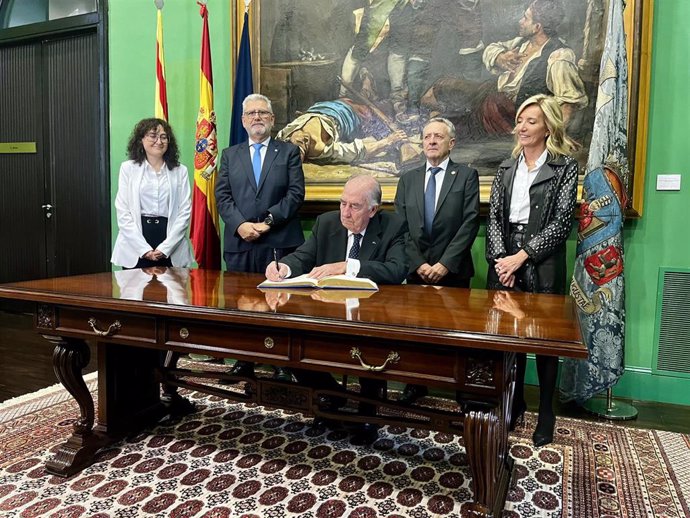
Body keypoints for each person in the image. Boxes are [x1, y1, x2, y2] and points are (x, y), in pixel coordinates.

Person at [266, 174, 408, 442]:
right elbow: (304, 255)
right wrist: (283, 267)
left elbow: (397, 268)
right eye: (343, 203)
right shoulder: (327, 222)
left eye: (354, 206)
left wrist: (348, 266)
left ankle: (368, 414)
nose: (345, 212)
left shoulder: (393, 225)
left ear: (373, 210)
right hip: (328, 309)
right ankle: (329, 398)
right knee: (294, 338)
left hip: (372, 311)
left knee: (370, 345)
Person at [485, 93, 579, 447]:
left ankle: (546, 414)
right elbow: (493, 218)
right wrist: (501, 260)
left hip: (542, 260)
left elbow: (561, 224)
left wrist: (521, 257)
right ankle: (514, 403)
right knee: (509, 338)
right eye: (520, 121)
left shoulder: (564, 166)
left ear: (548, 127)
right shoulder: (506, 168)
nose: (522, 127)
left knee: (542, 340)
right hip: (505, 257)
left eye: (531, 121)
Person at [216, 93, 305, 382]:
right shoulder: (230, 155)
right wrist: (241, 225)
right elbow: (223, 196)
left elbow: (295, 194)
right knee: (241, 304)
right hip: (240, 243)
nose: (257, 117)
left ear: (272, 119)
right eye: (251, 113)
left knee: (278, 304)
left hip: (278, 242)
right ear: (243, 121)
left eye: (263, 113)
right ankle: (244, 359)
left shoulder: (288, 152)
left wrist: (267, 223)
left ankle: (280, 361)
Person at [394, 117, 480, 405]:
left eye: (438, 137)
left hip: (453, 271)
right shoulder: (408, 179)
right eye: (427, 136)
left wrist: (445, 263)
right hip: (417, 271)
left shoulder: (466, 176)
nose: (431, 141)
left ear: (451, 143)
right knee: (416, 331)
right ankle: (415, 383)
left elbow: (469, 223)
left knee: (456, 333)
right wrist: (417, 263)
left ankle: (460, 388)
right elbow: (400, 226)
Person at [420, 0, 587, 137]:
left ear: (538, 27)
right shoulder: (523, 43)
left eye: (525, 18)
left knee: (444, 128)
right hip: (487, 94)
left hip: (503, 115)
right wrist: (500, 57)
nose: (520, 22)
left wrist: (555, 139)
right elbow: (492, 48)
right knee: (439, 89)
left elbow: (568, 104)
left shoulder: (559, 57)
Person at [111, 118, 193, 269]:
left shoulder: (180, 171)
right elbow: (123, 212)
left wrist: (165, 248)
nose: (159, 141)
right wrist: (144, 249)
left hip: (170, 241)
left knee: (172, 292)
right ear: (141, 139)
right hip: (135, 242)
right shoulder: (128, 169)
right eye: (153, 136)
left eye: (163, 137)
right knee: (135, 291)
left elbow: (184, 212)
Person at [276, 99, 405, 165]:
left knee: (353, 97)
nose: (303, 140)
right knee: (376, 108)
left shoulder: (282, 137)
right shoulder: (320, 149)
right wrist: (388, 141)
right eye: (304, 147)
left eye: (296, 143)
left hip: (326, 106)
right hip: (348, 116)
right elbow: (357, 150)